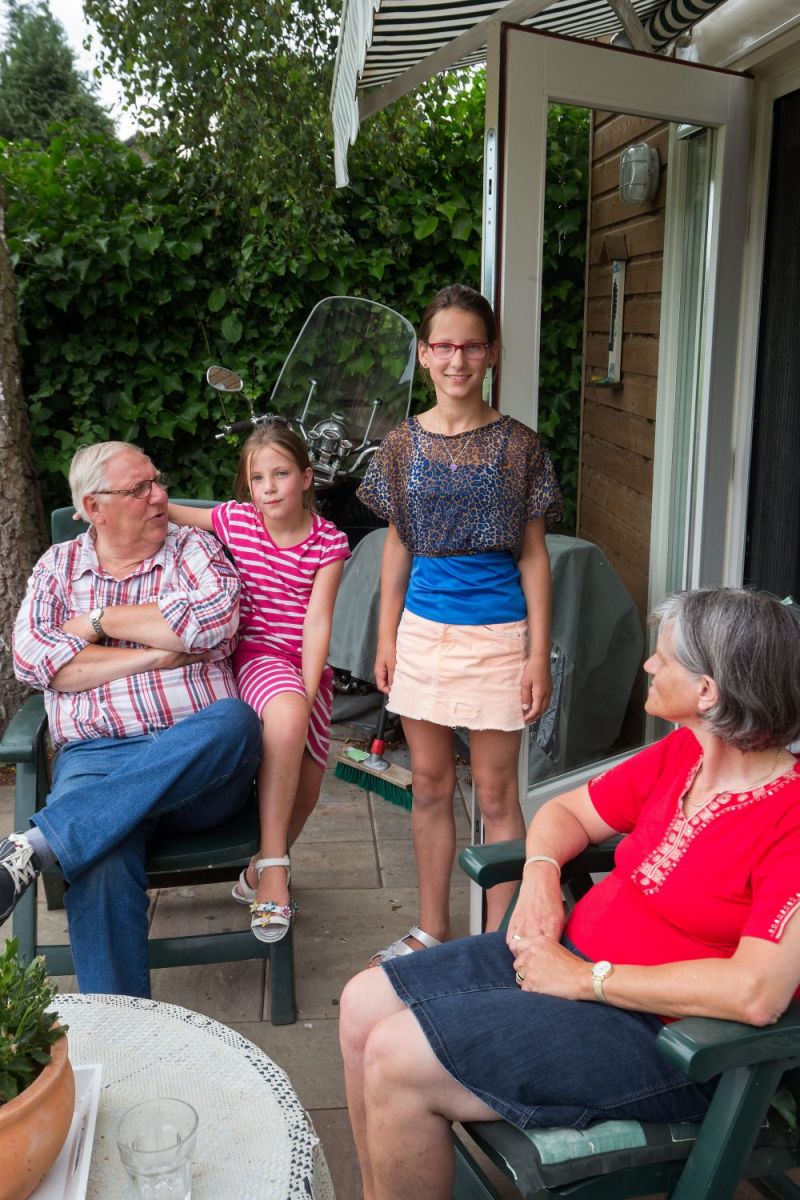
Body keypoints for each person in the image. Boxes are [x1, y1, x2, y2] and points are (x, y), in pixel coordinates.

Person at [339, 587, 800, 1200]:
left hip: (663, 1037)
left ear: (708, 691)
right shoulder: (685, 753)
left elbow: (756, 993)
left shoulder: (788, 821)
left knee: (398, 1059)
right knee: (362, 1002)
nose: (648, 666)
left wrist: (588, 981)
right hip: (561, 961)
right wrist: (540, 878)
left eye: (664, 658)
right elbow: (567, 812)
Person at [1, 441, 262, 997]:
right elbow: (33, 659)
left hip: (199, 764)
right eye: (139, 488)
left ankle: (40, 846)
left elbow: (214, 620)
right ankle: (123, 1038)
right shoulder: (58, 566)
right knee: (100, 854)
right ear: (94, 507)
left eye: (156, 481)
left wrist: (95, 623)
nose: (160, 495)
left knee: (234, 721)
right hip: (97, 757)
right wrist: (153, 653)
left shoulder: (192, 548)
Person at [357, 284, 562, 961]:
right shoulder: (400, 445)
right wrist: (385, 637)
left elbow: (534, 556)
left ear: (492, 353)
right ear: (423, 354)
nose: (457, 359)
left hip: (499, 638)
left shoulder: (520, 447)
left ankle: (497, 946)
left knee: (498, 794)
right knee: (431, 788)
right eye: (443, 345)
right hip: (422, 635)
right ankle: (431, 930)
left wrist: (537, 652)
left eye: (471, 345)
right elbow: (397, 546)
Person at [169, 422, 349, 943]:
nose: (269, 487)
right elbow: (178, 511)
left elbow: (318, 623)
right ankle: (276, 871)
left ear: (306, 478)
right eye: (257, 477)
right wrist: (142, 500)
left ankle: (255, 871)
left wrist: (311, 689)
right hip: (257, 656)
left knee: (310, 789)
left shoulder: (329, 543)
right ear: (246, 487)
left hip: (307, 664)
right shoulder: (238, 521)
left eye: (281, 473)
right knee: (289, 714)